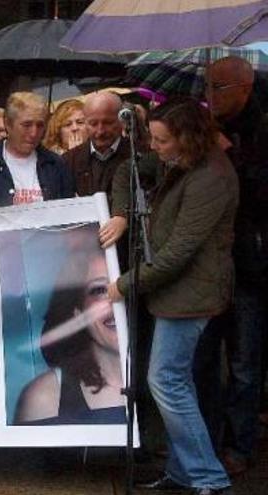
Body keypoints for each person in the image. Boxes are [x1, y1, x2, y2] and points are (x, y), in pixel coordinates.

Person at [108, 97, 237, 495]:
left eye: (163, 140)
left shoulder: (210, 177)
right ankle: (184, 473)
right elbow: (127, 169)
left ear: (186, 138)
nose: (156, 147)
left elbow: (179, 253)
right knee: (177, 380)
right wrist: (122, 212)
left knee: (165, 380)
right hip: (180, 292)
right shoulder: (190, 165)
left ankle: (209, 478)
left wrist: (125, 284)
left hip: (191, 294)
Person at [193, 55, 268, 476]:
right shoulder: (211, 130)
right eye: (207, 88)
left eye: (217, 88)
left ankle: (239, 445)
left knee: (243, 360)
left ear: (243, 87)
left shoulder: (261, 129)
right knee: (204, 356)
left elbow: (257, 195)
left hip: (250, 266)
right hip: (210, 263)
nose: (210, 97)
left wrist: (231, 158)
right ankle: (206, 435)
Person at [14, 227, 125, 425]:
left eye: (125, 286)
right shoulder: (44, 397)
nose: (116, 300)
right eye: (100, 290)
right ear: (78, 312)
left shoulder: (172, 383)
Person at [0, 92, 74, 207]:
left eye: (40, 125)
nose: (34, 133)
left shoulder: (55, 165)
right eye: (27, 125)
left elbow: (68, 212)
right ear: (8, 124)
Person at [62, 91, 135, 251]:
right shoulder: (68, 161)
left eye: (107, 122)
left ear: (121, 121)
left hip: (127, 250)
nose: (100, 131)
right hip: (83, 249)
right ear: (85, 122)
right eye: (93, 124)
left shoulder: (136, 156)